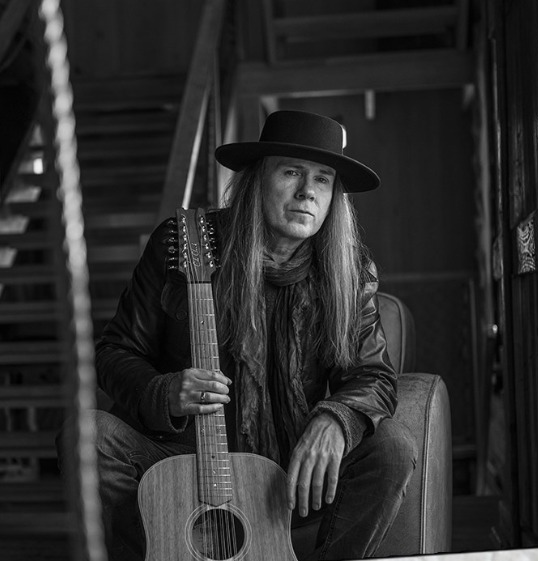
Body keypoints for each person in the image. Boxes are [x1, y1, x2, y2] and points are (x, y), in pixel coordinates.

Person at [61, 110, 417, 560]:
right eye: (291, 172)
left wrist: (337, 419)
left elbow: (374, 377)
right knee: (87, 437)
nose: (307, 191)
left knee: (392, 448)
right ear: (257, 178)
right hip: (181, 462)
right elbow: (115, 351)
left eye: (323, 179)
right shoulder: (182, 245)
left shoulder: (350, 269)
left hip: (289, 473)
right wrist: (164, 391)